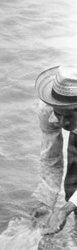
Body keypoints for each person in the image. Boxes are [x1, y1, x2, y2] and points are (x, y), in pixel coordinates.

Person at [32, 65, 77, 232]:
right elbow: (51, 158)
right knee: (72, 188)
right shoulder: (47, 109)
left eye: (70, 114)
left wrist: (65, 210)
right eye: (59, 114)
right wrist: (47, 202)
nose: (63, 122)